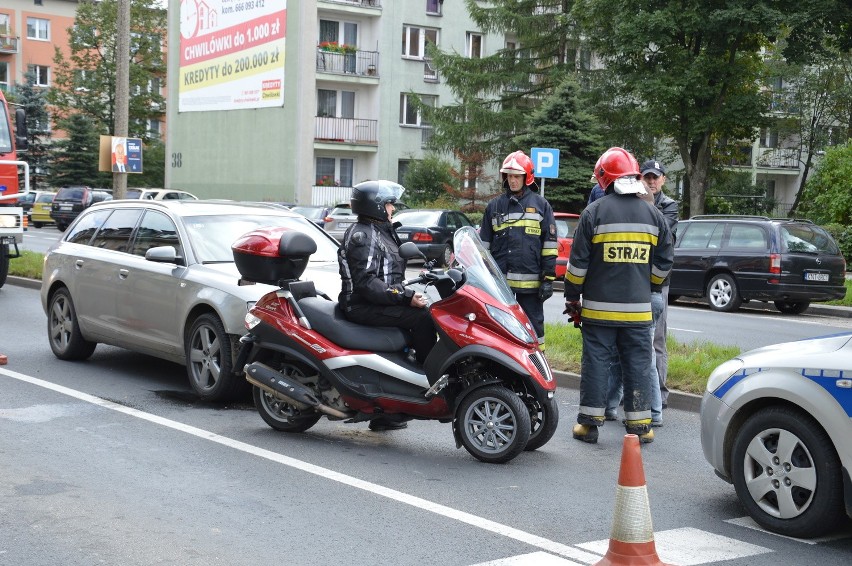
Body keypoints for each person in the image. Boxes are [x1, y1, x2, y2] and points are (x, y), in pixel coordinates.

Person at [564, 147, 673, 444]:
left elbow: (577, 267)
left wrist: (572, 297)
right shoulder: (653, 215)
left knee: (597, 362)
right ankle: (640, 428)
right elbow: (665, 262)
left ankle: (589, 425)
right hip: (638, 311)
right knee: (638, 362)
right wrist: (648, 285)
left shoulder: (593, 213)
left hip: (599, 312)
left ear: (605, 177)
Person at [338, 180, 437, 431]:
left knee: (429, 311)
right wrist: (404, 297)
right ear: (377, 207)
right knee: (423, 318)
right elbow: (367, 283)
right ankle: (428, 379)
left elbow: (390, 273)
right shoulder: (364, 235)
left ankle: (390, 407)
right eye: (390, 204)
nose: (393, 208)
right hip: (360, 305)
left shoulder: (380, 229)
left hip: (380, 299)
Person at [479, 150, 558, 350]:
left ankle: (538, 362)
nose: (512, 181)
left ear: (527, 177)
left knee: (533, 326)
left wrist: (547, 280)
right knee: (500, 325)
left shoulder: (541, 205)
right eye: (509, 176)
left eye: (517, 176)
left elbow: (549, 245)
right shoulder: (495, 206)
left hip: (531, 285)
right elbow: (483, 246)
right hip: (500, 284)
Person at [640, 159, 679, 409]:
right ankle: (636, 391)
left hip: (658, 282)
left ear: (663, 179)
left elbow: (663, 236)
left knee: (657, 339)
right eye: (648, 177)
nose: (652, 181)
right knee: (633, 338)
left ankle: (660, 394)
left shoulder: (669, 206)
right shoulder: (638, 204)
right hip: (636, 279)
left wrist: (645, 207)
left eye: (656, 177)